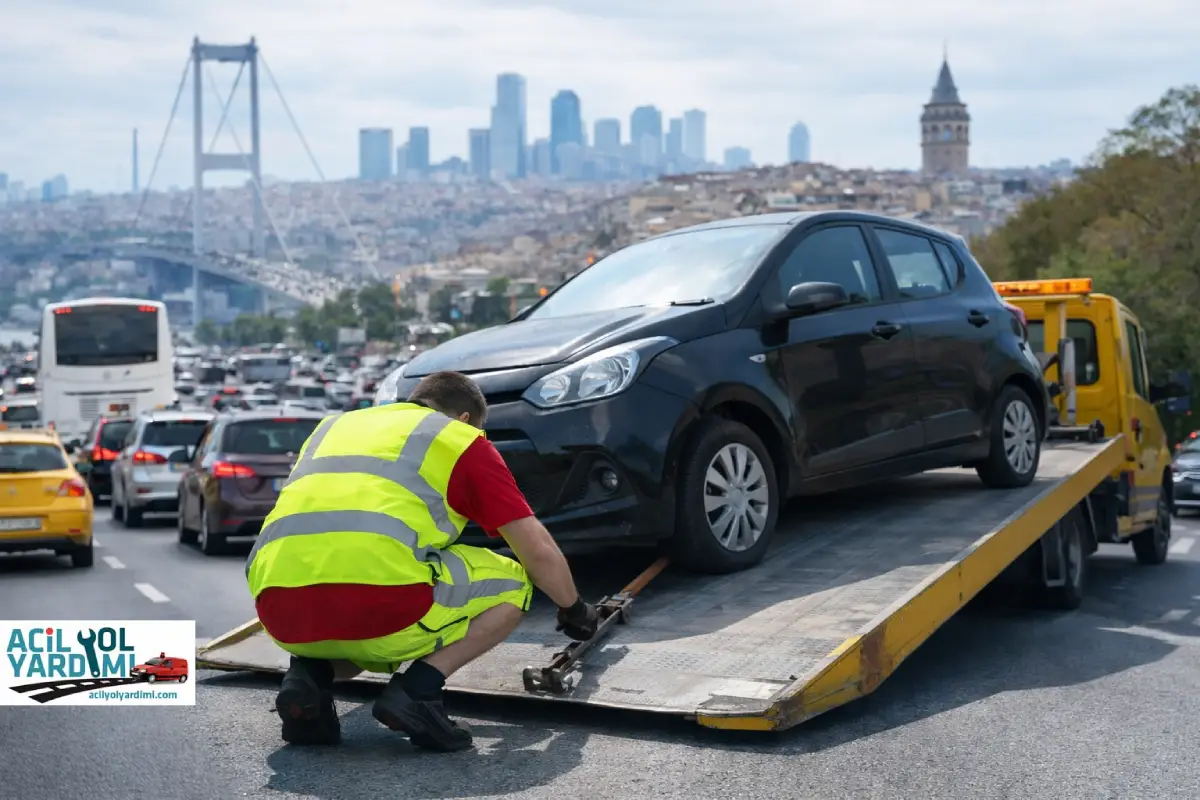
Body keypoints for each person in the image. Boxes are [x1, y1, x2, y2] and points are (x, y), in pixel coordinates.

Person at [245, 370, 599, 753]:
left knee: (364, 617)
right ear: (465, 419)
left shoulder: (334, 427)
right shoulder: (458, 438)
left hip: (279, 609)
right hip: (381, 606)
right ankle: (418, 692)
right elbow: (535, 548)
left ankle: (310, 678)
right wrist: (573, 607)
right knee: (513, 582)